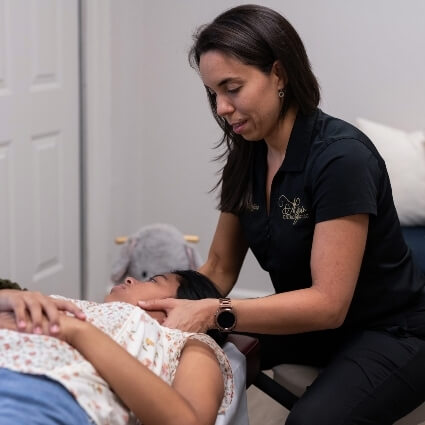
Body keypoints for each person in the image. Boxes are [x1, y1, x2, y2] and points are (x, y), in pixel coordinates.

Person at [138, 4, 425, 424]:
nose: (220, 107)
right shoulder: (247, 155)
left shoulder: (341, 158)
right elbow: (218, 267)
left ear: (279, 74)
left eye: (232, 88)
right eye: (213, 92)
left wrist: (214, 310)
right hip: (317, 329)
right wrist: (154, 305)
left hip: (392, 333)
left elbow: (328, 304)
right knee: (181, 350)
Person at [0, 270, 232, 425]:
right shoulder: (78, 307)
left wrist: (77, 331)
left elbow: (187, 421)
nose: (130, 278)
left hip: (39, 392)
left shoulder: (185, 341)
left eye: (153, 281)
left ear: (185, 306)